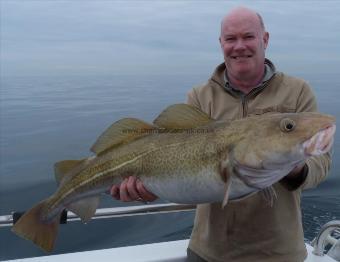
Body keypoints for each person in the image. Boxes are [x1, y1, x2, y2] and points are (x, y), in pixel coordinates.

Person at [110, 6, 333, 262]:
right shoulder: (199, 97)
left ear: (265, 39)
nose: (239, 46)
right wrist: (148, 189)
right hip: (209, 252)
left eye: (248, 36)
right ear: (221, 44)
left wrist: (293, 166)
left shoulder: (297, 91)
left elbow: (321, 163)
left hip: (278, 253)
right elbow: (179, 167)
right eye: (231, 39)